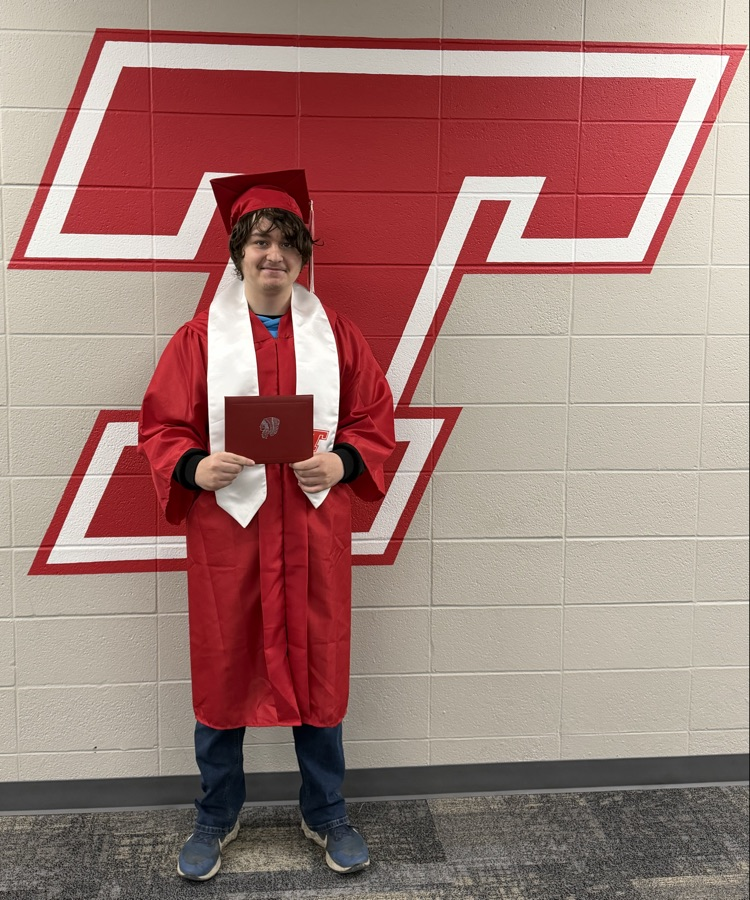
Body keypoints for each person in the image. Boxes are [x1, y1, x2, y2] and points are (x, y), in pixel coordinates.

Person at [138, 170, 396, 881]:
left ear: (302, 255)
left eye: (284, 241)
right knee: (225, 675)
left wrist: (344, 462)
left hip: (312, 534)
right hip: (233, 536)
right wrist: (195, 468)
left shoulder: (336, 335)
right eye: (258, 241)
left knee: (318, 671)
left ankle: (327, 812)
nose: (271, 254)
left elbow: (375, 419)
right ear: (237, 256)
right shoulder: (199, 340)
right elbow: (161, 425)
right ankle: (217, 814)